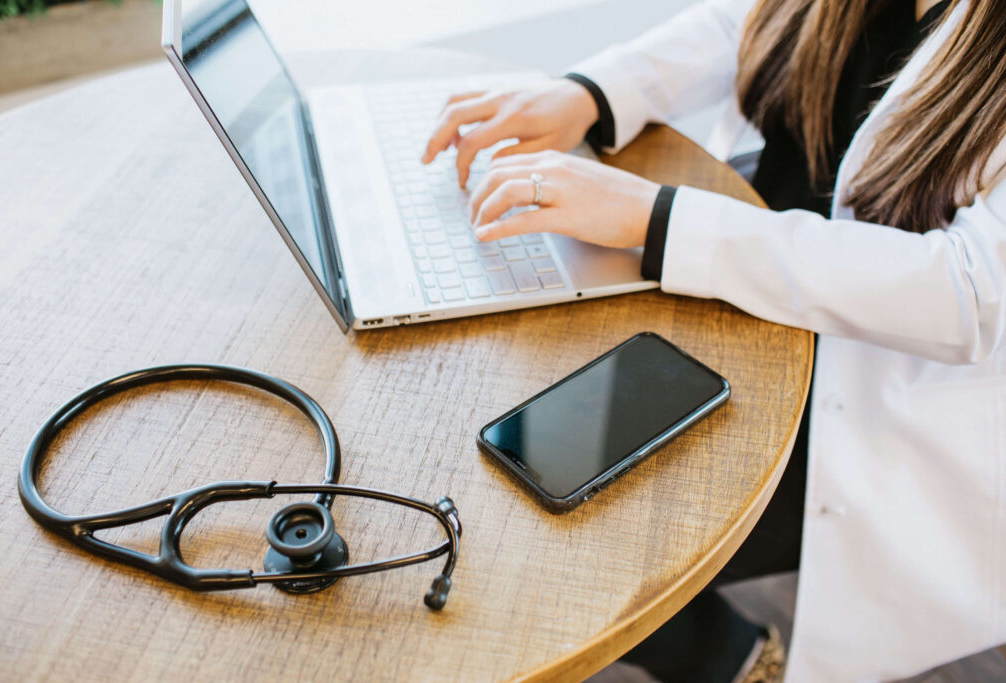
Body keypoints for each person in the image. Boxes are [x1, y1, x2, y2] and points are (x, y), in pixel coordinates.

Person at [423, 0, 1006, 680]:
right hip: (734, 305)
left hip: (858, 402)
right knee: (514, 459)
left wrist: (657, 215)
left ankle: (726, 658)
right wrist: (588, 94)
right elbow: (751, 22)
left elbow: (970, 292)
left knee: (579, 541)